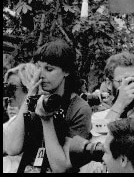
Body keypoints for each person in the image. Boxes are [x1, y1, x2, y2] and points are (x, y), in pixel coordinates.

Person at [4, 39, 92, 173]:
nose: (41, 75)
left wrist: (46, 120)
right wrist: (29, 98)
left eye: (49, 69)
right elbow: (12, 148)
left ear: (66, 71)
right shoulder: (36, 100)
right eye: (39, 67)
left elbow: (61, 166)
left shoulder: (79, 108)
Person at [3, 63, 38, 173]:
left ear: (29, 89)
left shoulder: (46, 119)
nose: (8, 94)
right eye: (6, 87)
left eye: (12, 88)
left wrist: (29, 99)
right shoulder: (12, 123)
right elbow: (12, 148)